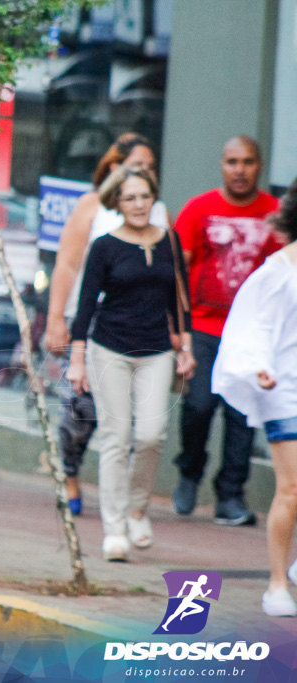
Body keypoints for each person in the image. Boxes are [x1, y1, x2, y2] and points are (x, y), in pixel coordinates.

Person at [66, 166, 195, 561]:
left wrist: (185, 347)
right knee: (116, 440)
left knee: (152, 435)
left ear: (153, 198)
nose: (139, 204)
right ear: (116, 204)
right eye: (129, 198)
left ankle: (138, 508)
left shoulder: (170, 241)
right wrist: (77, 359)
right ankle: (115, 528)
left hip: (157, 350)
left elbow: (181, 297)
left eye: (144, 196)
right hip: (110, 349)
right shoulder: (104, 246)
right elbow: (87, 303)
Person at [44, 133, 172, 516]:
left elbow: (169, 274)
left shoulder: (160, 211)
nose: (146, 173)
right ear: (117, 168)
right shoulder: (92, 205)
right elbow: (67, 264)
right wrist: (55, 320)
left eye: (151, 167)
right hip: (86, 315)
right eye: (139, 165)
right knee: (82, 408)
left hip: (141, 324)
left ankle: (128, 503)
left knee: (141, 422)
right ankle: (68, 474)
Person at [171, 136, 283, 526]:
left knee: (242, 415)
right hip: (202, 327)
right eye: (233, 161)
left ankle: (230, 496)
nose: (240, 169)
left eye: (248, 162)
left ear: (260, 165)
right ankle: (189, 470)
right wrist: (178, 328)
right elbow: (177, 272)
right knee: (198, 406)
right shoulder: (198, 210)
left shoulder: (275, 214)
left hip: (252, 333)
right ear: (222, 164)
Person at [212, 176, 297, 616]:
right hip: (285, 390)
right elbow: (255, 326)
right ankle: (277, 584)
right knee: (292, 488)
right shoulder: (278, 272)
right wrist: (259, 366)